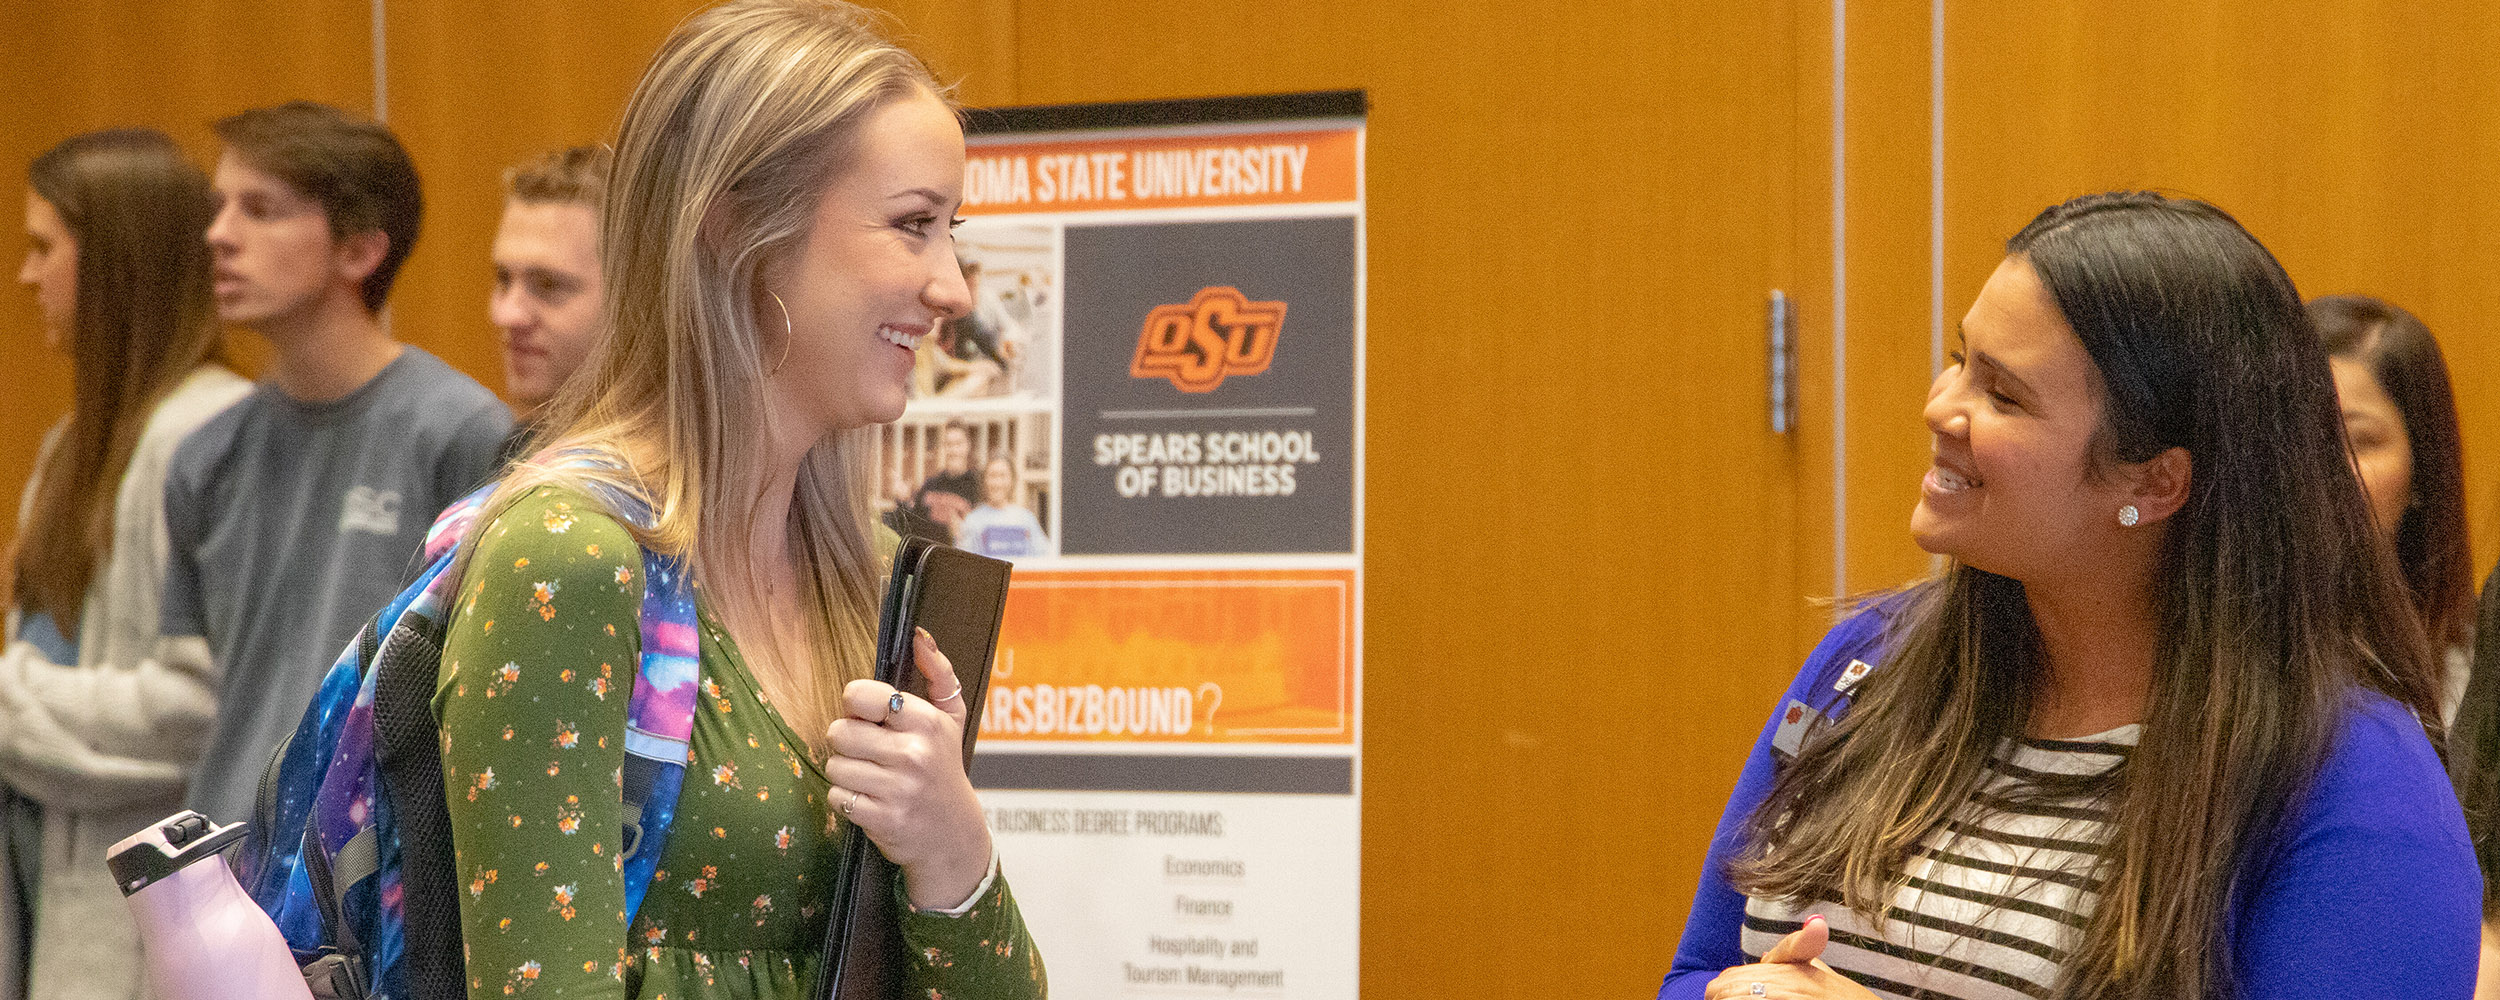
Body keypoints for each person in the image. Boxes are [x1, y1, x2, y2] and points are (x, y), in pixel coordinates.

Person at [1659, 192, 2477, 999]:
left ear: (2154, 482)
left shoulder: (2350, 782)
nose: (1941, 408)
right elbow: (1700, 970)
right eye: (1959, 359)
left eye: (2003, 394)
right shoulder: (1868, 662)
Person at [431, 1, 1043, 997]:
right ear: (735, 228)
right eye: (912, 226)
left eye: (951, 232)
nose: (953, 290)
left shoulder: (875, 576)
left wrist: (952, 851)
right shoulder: (572, 558)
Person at [166, 101, 511, 826]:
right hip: (231, 852)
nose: (217, 235)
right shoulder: (204, 455)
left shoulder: (461, 433)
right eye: (218, 208)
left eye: (259, 209)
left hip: (372, 877)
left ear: (359, 251)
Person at [0, 129, 252, 1000]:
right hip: (45, 877)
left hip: (143, 912)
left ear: (112, 263)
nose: (26, 277)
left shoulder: (207, 434)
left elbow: (199, 710)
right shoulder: (68, 446)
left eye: (43, 248)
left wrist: (7, 697)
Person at [490, 145, 611, 458]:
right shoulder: (518, 447)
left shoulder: (668, 483)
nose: (506, 315)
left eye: (547, 284)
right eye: (504, 280)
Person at [956, 454, 1049, 560]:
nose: (997, 483)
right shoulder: (972, 521)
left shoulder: (1026, 519)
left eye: (1002, 476)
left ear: (1012, 480)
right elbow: (966, 564)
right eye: (993, 476)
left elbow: (1044, 558)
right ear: (984, 480)